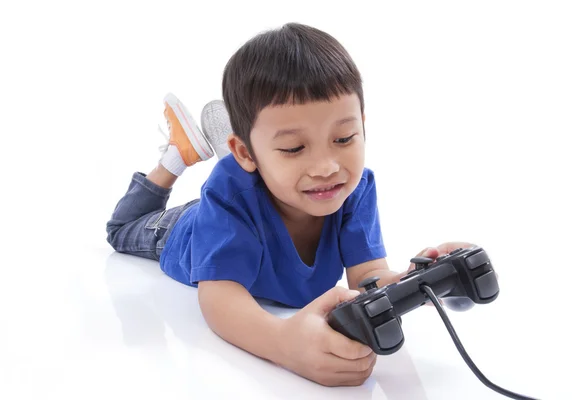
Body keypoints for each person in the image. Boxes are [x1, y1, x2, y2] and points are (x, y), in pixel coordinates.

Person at [106, 22, 473, 387]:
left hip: (257, 180)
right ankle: (176, 155)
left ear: (362, 124)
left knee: (259, 176)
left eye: (344, 138)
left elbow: (368, 277)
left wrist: (418, 281)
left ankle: (250, 152)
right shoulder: (229, 195)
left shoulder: (354, 188)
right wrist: (283, 345)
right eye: (295, 148)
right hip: (185, 229)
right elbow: (219, 299)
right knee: (121, 229)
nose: (327, 168)